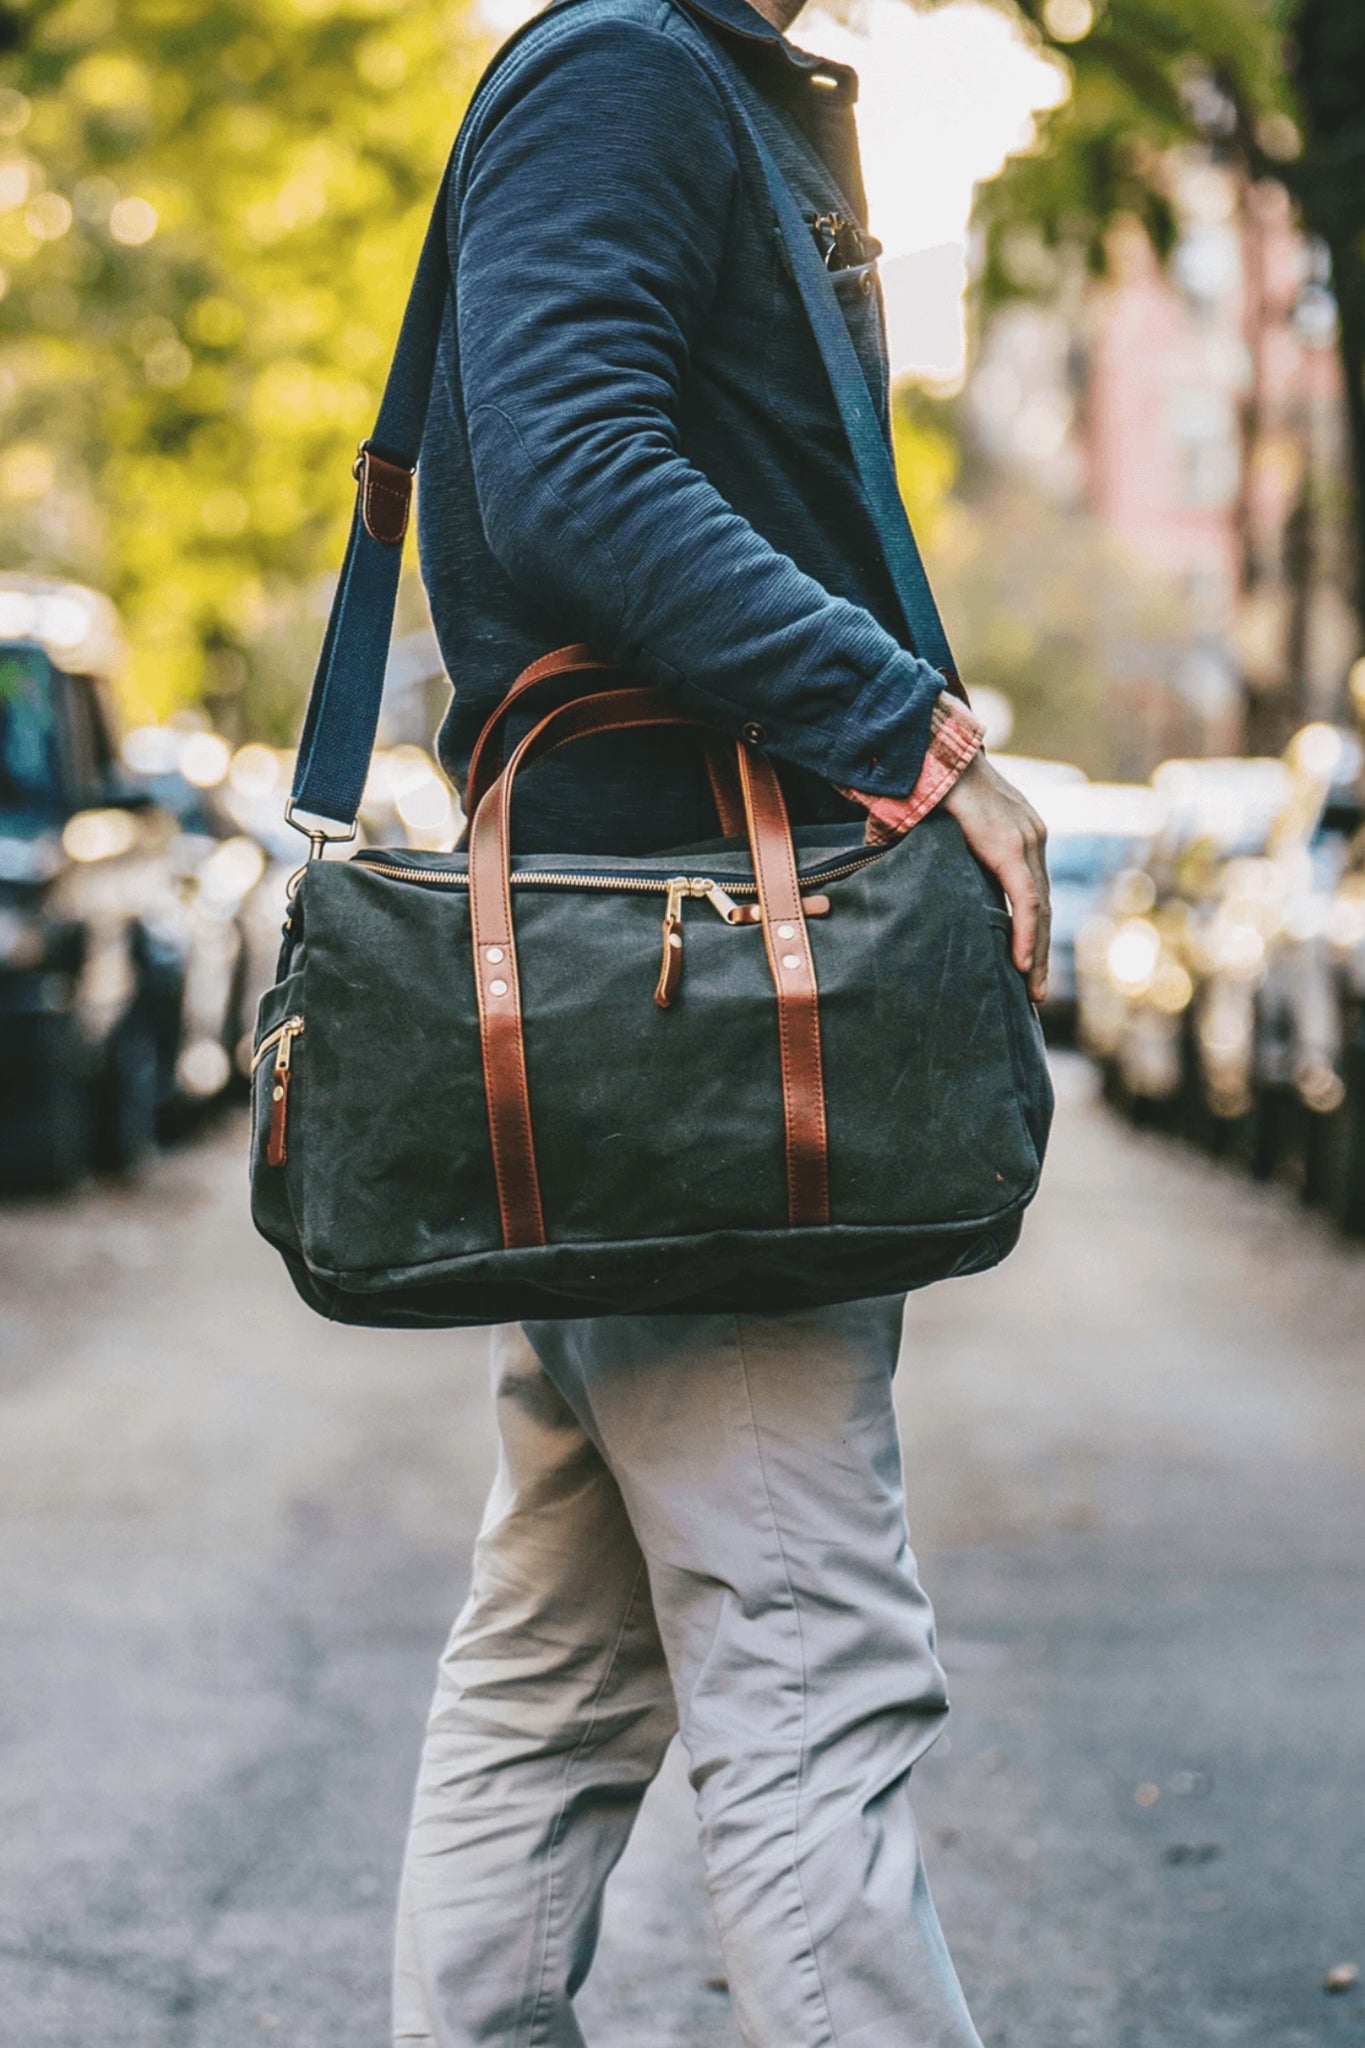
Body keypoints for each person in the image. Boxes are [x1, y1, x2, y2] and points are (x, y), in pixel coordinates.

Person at [393, 0, 1050, 2040]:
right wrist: (917, 739)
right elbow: (576, 472)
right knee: (807, 1672)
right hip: (700, 1005)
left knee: (557, 1668)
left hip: (655, 989)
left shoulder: (664, 76)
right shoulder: (626, 76)